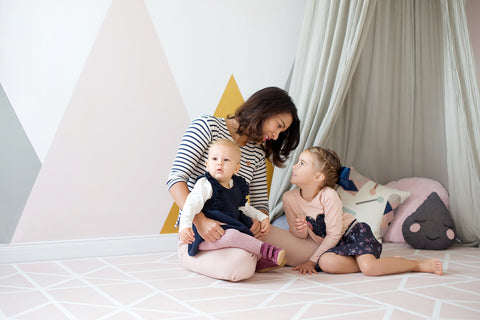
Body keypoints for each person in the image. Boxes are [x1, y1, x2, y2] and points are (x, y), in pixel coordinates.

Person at [167, 86, 302, 281]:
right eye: (279, 126)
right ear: (265, 109)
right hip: (201, 233)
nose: (275, 136)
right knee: (241, 267)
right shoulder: (207, 127)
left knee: (309, 254)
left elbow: (260, 204)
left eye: (282, 132)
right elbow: (175, 179)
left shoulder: (256, 154)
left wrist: (259, 221)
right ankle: (189, 255)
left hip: (240, 228)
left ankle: (351, 249)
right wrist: (200, 220)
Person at [282, 146, 443, 276]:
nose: (294, 166)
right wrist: (300, 229)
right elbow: (297, 235)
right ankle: (384, 263)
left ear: (318, 177)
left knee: (370, 269)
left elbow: (334, 234)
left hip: (353, 235)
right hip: (334, 246)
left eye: (302, 163)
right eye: (297, 162)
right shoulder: (289, 198)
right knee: (325, 263)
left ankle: (417, 265)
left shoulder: (329, 196)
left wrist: (311, 261)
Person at [179, 139, 286, 272]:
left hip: (229, 226)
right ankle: (268, 251)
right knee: (232, 236)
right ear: (207, 164)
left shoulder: (236, 185)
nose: (219, 163)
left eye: (226, 160)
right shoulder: (205, 184)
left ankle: (258, 261)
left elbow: (244, 207)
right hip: (206, 236)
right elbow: (190, 205)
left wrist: (262, 217)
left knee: (247, 233)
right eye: (214, 159)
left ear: (236, 168)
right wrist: (185, 227)